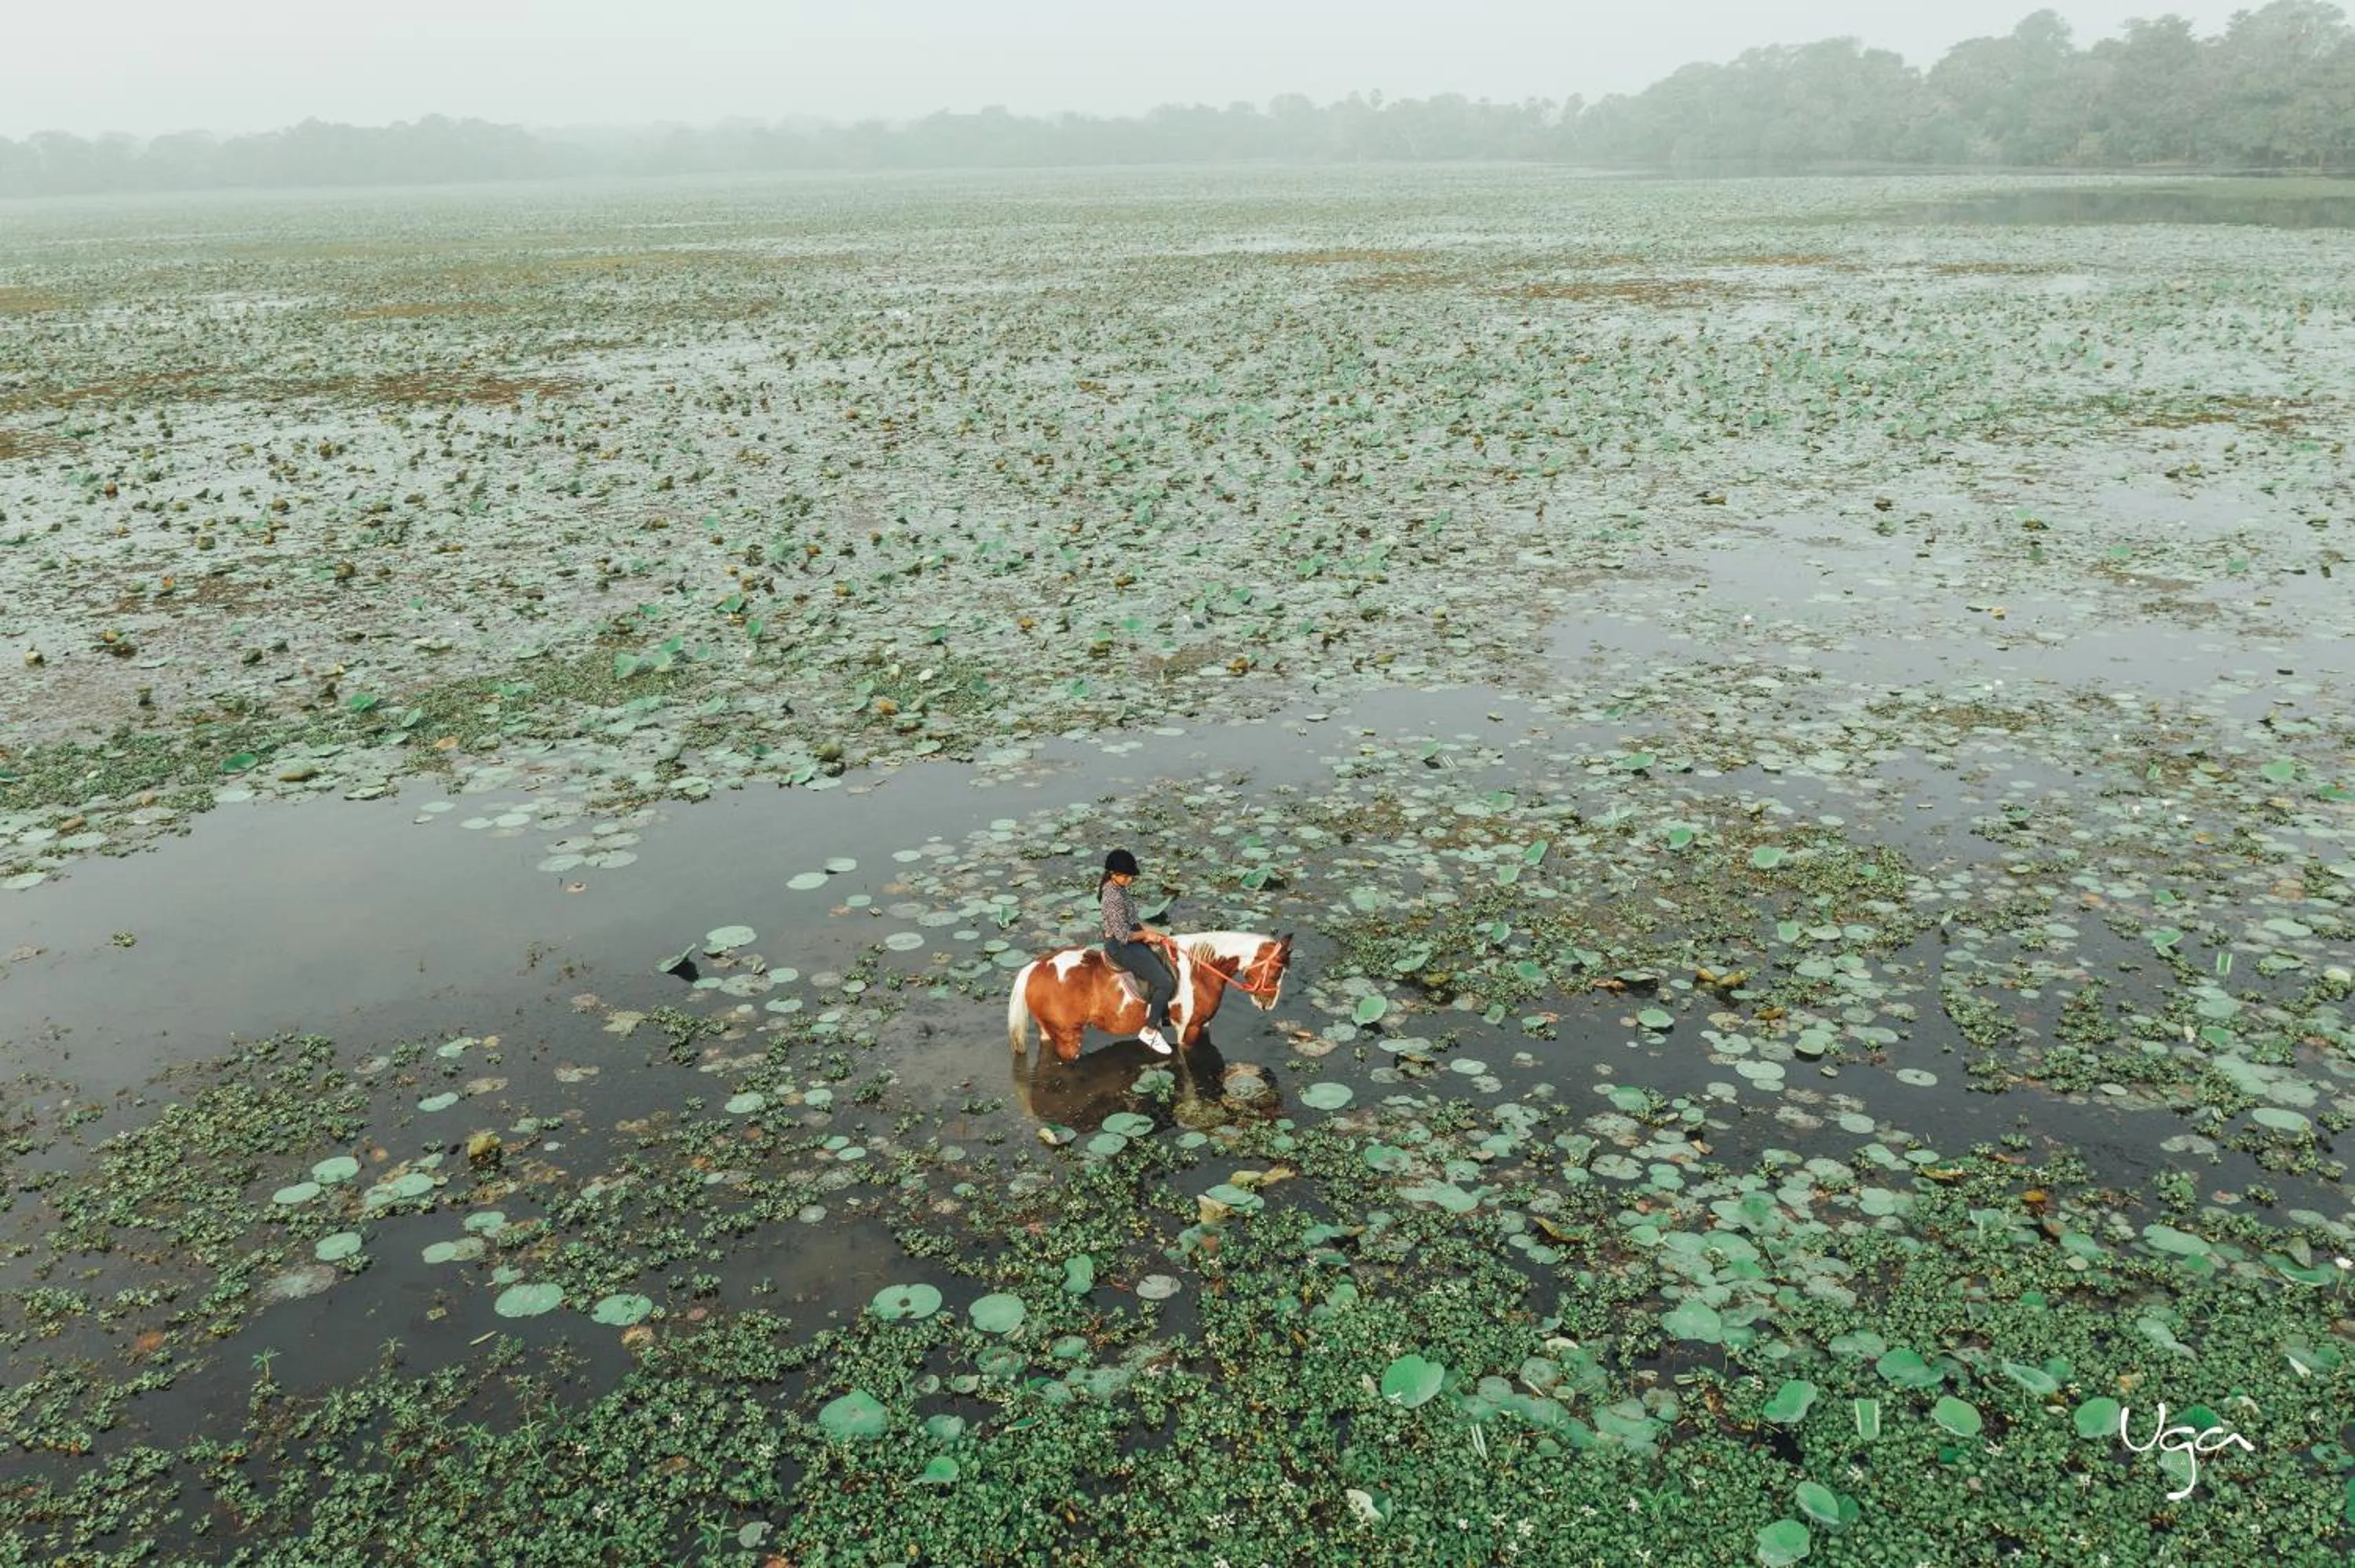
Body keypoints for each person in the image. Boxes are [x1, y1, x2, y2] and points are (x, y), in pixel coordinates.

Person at [1099, 848, 1176, 1054]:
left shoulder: (1120, 889)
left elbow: (1133, 922)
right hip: (1120, 946)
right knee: (1165, 982)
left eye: (1130, 876)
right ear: (1113, 874)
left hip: (1131, 937)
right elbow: (1123, 935)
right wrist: (1145, 935)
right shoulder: (1112, 897)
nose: (1129, 880)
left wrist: (1150, 932)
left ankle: (1161, 1011)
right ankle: (1150, 1031)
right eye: (1125, 876)